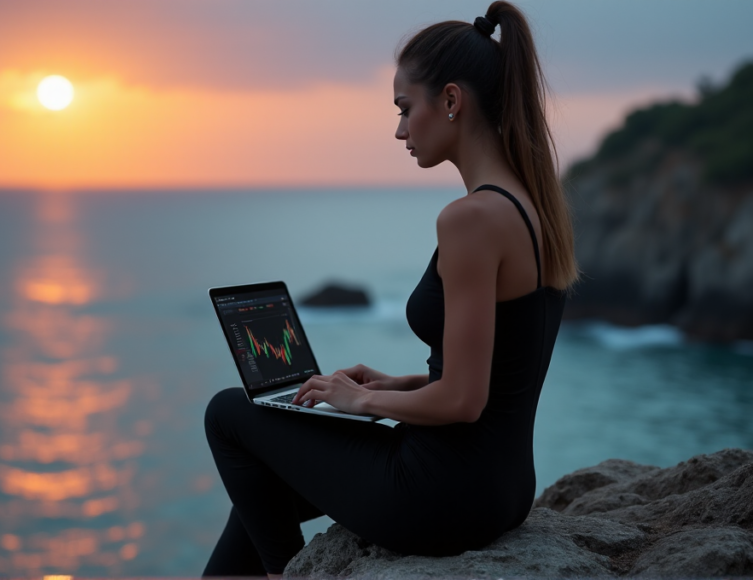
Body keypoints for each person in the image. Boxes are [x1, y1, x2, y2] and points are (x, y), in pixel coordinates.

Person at [203, 1, 578, 577]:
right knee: (261, 485)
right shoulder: (534, 208)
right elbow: (504, 372)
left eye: (405, 108)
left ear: (451, 101)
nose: (400, 130)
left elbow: (464, 401)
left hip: (439, 493)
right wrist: (398, 383)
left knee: (227, 412)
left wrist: (360, 402)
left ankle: (286, 574)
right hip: (500, 489)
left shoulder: (470, 219)